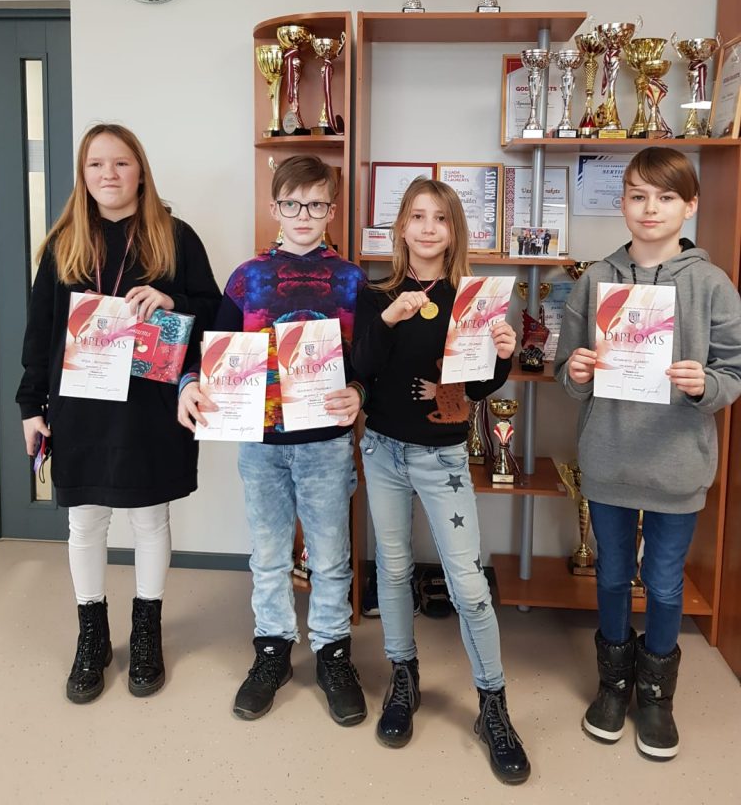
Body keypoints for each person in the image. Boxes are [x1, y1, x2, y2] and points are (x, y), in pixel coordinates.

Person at [17, 123, 221, 704]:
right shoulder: (64, 244)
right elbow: (41, 331)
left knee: (150, 518)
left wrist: (173, 299)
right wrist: (31, 404)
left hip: (150, 403)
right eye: (96, 164)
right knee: (85, 522)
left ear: (141, 172)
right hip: (81, 403)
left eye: (121, 163)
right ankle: (93, 635)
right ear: (83, 176)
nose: (109, 174)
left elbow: (216, 311)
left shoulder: (175, 237)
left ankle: (147, 631)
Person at [554, 147, 741, 760]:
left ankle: (656, 694)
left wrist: (705, 384)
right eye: (638, 196)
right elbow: (566, 371)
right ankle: (613, 683)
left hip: (677, 465)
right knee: (611, 575)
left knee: (662, 584)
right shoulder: (595, 281)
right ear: (623, 204)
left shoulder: (712, 284)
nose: (650, 208)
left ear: (690, 206)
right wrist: (576, 371)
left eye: (666, 197)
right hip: (609, 460)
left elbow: (734, 373)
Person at [351, 176, 531, 785]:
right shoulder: (375, 296)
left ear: (454, 232)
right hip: (383, 451)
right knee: (393, 570)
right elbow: (359, 369)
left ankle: (492, 703)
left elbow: (478, 387)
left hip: (443, 458)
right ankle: (403, 676)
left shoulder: (468, 299)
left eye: (441, 218)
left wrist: (502, 352)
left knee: (468, 584)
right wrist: (388, 319)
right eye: (418, 216)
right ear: (401, 227)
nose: (428, 228)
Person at [178, 155, 368, 727]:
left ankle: (333, 652)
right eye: (292, 204)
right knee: (267, 552)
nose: (303, 214)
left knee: (330, 555)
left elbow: (367, 360)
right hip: (260, 442)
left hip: (326, 440)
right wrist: (191, 382)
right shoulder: (248, 278)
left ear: (331, 210)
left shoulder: (352, 281)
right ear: (274, 208)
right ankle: (272, 648)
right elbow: (214, 347)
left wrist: (359, 389)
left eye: (315, 204)